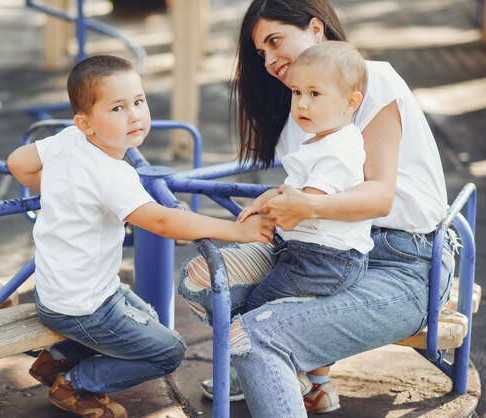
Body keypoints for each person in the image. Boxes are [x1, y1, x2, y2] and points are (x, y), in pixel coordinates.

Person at [176, 0, 457, 416]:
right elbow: (313, 187)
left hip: (405, 259)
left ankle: (279, 364)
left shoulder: (371, 78)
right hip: (318, 249)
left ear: (315, 28)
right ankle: (304, 377)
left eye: (274, 42)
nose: (269, 61)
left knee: (251, 338)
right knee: (200, 280)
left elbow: (378, 197)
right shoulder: (301, 109)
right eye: (261, 53)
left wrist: (305, 205)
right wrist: (272, 201)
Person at [7, 54, 274, 418]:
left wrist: (59, 188)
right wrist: (236, 231)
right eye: (117, 108)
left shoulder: (68, 140)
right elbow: (162, 222)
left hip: (54, 293)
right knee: (167, 351)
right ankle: (76, 383)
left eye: (138, 101)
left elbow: (18, 162)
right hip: (83, 306)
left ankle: (55, 359)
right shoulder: (112, 175)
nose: (134, 115)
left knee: (144, 313)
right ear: (85, 123)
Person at [239, 41, 372, 313]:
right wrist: (265, 200)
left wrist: (265, 212)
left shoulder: (337, 150)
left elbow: (304, 204)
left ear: (351, 102)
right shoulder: (326, 140)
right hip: (312, 253)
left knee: (254, 309)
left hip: (324, 260)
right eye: (297, 92)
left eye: (314, 93)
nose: (302, 103)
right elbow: (295, 194)